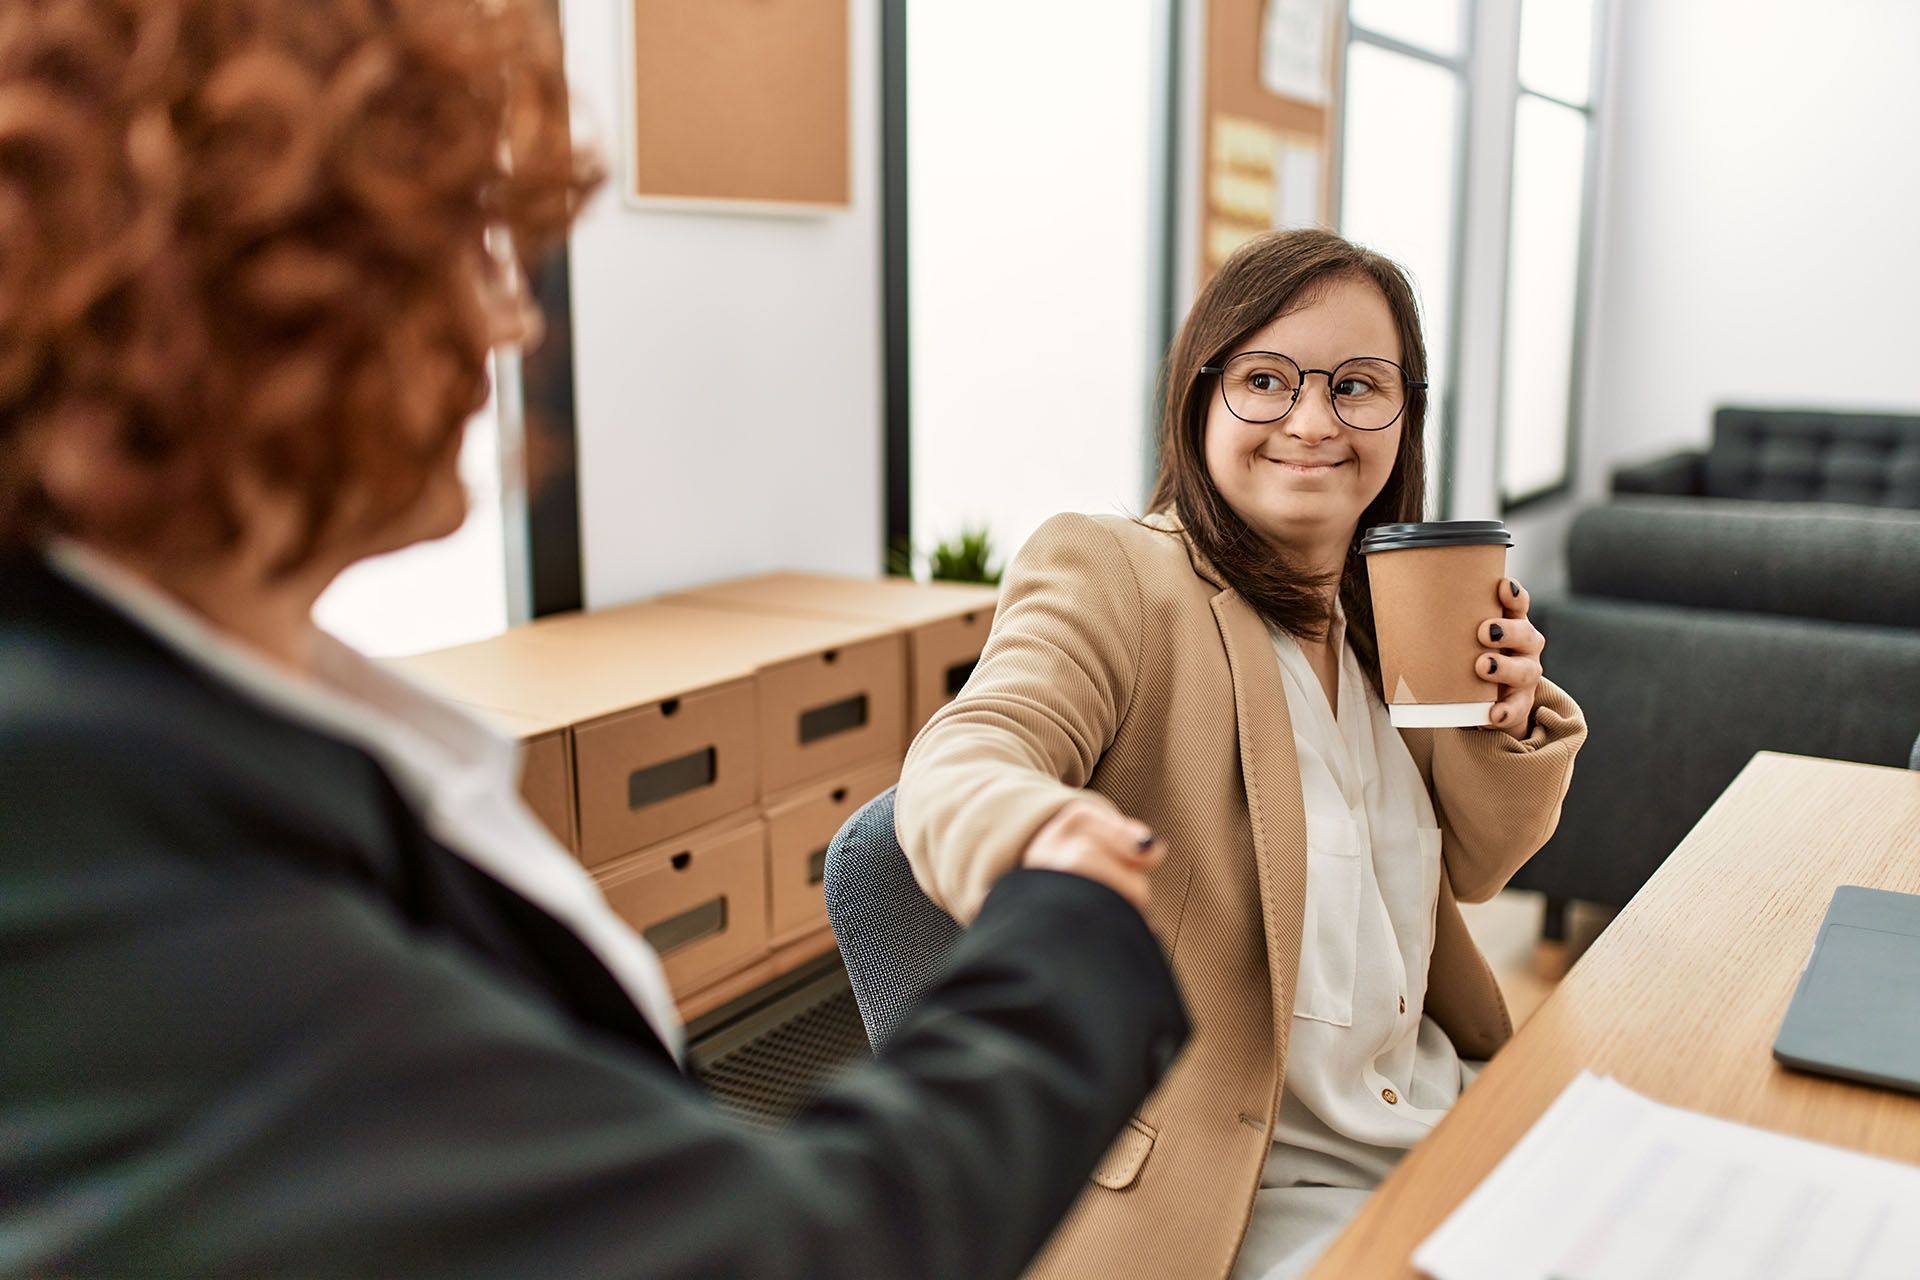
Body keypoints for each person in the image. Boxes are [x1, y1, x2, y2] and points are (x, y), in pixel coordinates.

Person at [0, 2, 1188, 1276]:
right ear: (242, 305)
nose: (510, 323)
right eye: (465, 252)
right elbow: (782, 1250)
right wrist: (1071, 922)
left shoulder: (184, 709)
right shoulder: (68, 813)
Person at [896, 228, 1589, 1280]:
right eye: (1267, 379)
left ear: (1405, 418)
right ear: (1200, 398)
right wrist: (1036, 828)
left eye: (1358, 386)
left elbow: (1478, 869)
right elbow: (969, 752)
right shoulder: (1118, 576)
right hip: (1243, 1192)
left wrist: (1507, 712)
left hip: (1438, 1117)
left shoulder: (1381, 612)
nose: (1313, 420)